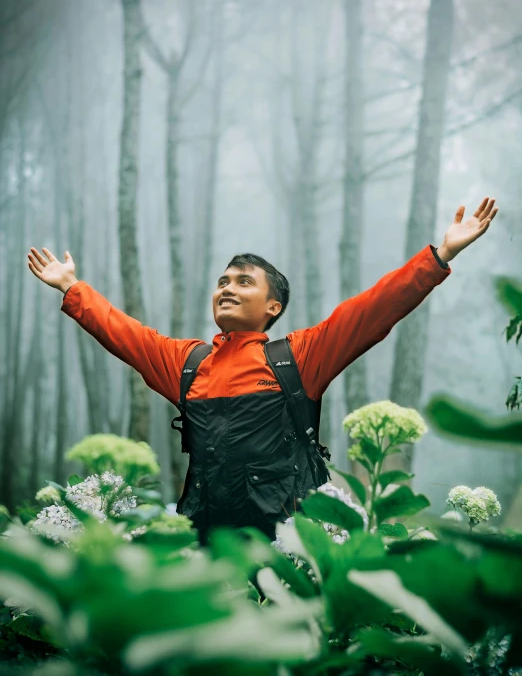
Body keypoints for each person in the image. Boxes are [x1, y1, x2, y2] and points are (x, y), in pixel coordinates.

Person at [28, 197, 498, 543]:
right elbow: (125, 334)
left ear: (273, 306)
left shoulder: (298, 358)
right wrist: (72, 288)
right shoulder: (189, 364)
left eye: (243, 282)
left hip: (290, 549)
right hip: (207, 543)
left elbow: (372, 310)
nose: (227, 288)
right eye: (222, 282)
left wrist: (439, 256)